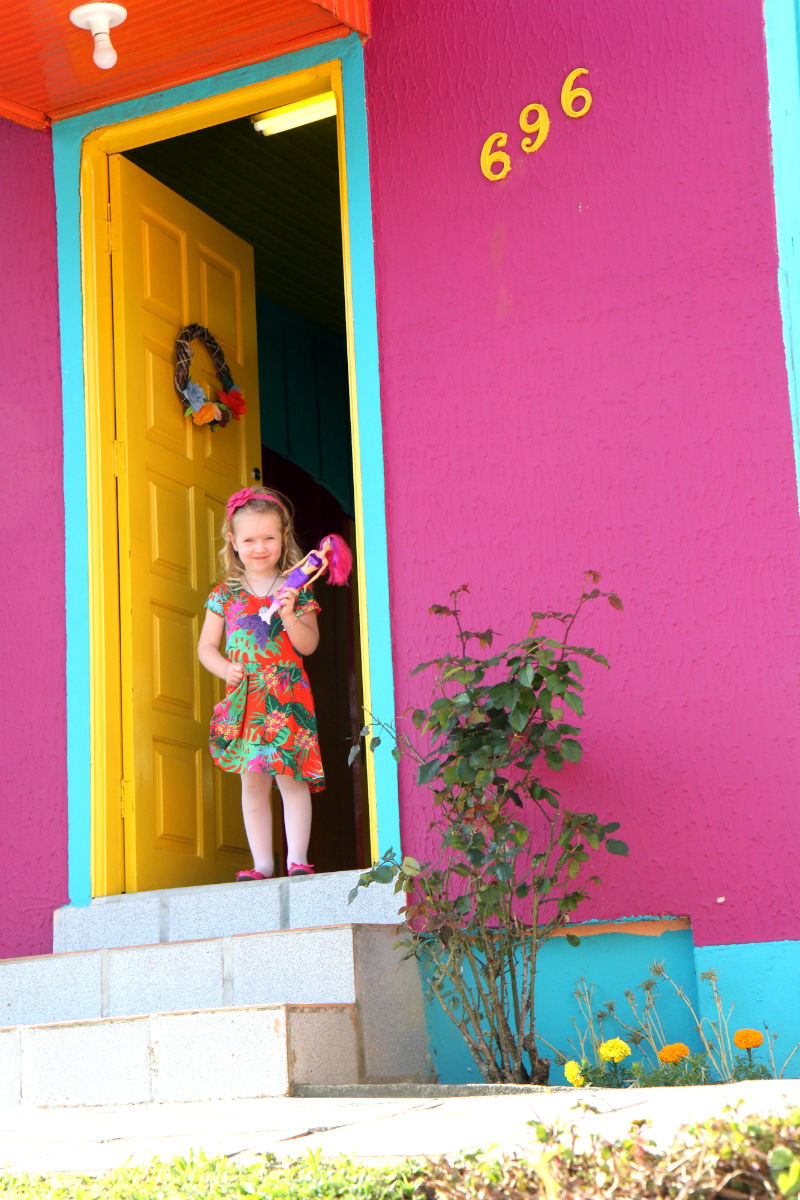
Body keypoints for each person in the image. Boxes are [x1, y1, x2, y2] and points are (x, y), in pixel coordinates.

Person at [198, 486, 323, 880]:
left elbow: (308, 646)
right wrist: (224, 669)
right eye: (249, 540)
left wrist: (289, 615)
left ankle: (297, 859)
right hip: (247, 699)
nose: (259, 547)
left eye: (269, 537)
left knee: (291, 776)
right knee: (253, 783)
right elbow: (206, 647)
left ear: (283, 538)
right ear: (233, 542)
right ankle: (263, 864)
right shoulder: (225, 595)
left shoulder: (297, 589)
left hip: (287, 697)